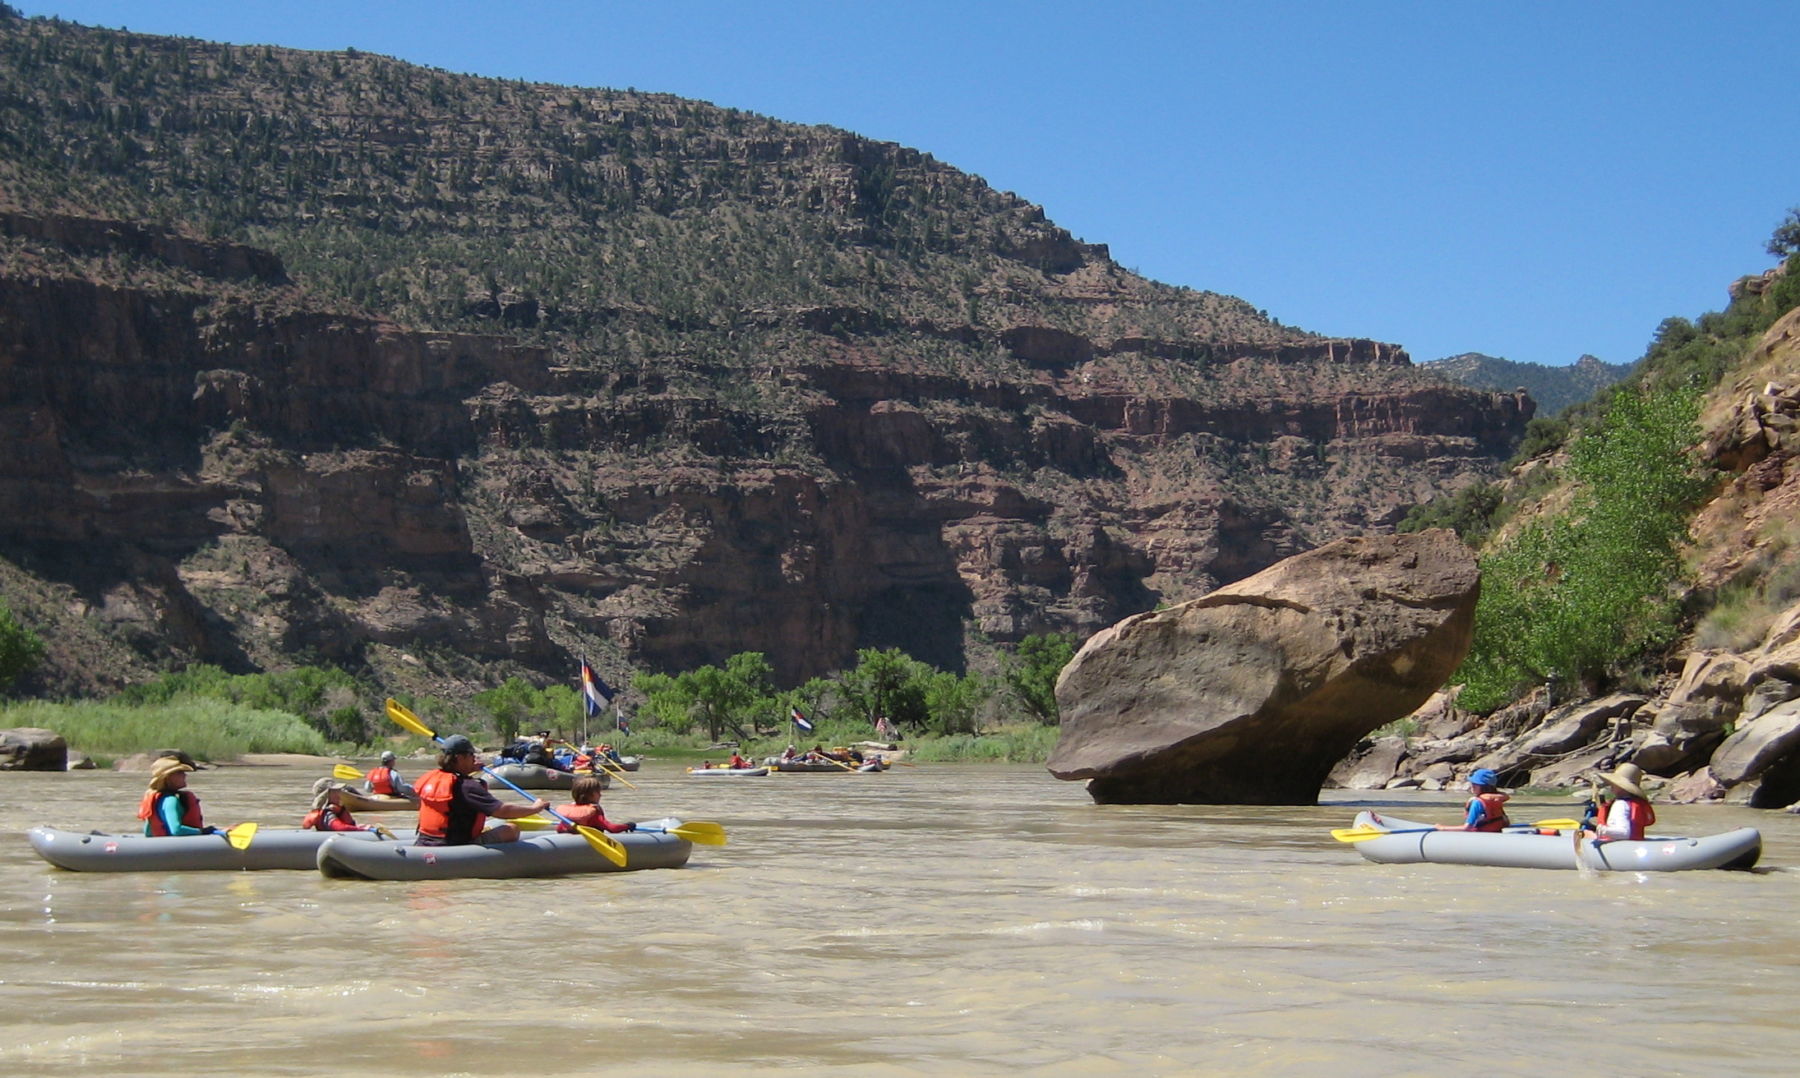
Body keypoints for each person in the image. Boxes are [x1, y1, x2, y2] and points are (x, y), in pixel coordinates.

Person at [413, 735, 549, 847]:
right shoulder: (468, 786)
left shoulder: (432, 777)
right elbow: (503, 811)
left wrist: (469, 769)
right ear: (460, 758)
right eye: (471, 754)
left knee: (492, 825)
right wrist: (535, 808)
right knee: (511, 829)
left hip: (424, 841)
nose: (475, 758)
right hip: (456, 846)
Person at [137, 756, 219, 837]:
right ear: (169, 778)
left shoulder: (158, 799)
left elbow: (148, 832)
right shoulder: (171, 800)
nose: (185, 775)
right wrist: (202, 831)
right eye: (180, 772)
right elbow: (176, 830)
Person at [1584, 762, 1657, 840]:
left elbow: (1624, 833)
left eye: (1614, 782)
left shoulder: (1621, 805)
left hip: (1621, 846)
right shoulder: (1629, 803)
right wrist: (1599, 812)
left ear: (1621, 786)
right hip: (1634, 843)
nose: (1611, 784)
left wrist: (1595, 829)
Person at [551, 775, 635, 835]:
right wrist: (627, 826)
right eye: (598, 792)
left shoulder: (570, 810)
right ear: (591, 795)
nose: (600, 795)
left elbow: (559, 829)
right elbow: (612, 828)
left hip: (568, 839)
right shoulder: (593, 812)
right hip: (585, 843)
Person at [1435, 768, 1511, 832]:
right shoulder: (1497, 798)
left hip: (1481, 835)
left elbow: (1467, 828)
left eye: (1475, 784)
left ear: (1484, 787)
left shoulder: (1477, 803)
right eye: (1472, 783)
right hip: (1496, 832)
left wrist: (1442, 828)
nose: (1472, 786)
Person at [302, 778, 377, 832]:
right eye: (335, 791)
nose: (339, 794)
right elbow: (340, 828)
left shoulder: (336, 809)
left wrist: (357, 827)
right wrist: (364, 829)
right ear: (326, 795)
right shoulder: (327, 813)